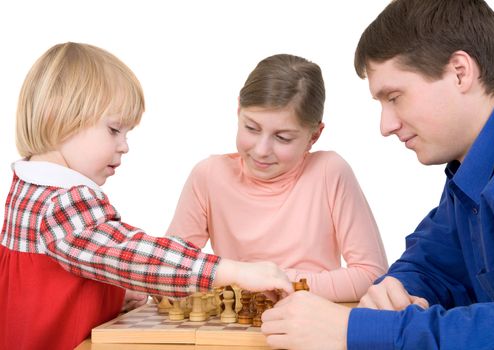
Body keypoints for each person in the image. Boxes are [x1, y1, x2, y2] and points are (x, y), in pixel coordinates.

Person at [261, 0, 494, 349]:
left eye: (395, 97)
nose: (386, 126)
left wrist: (357, 332)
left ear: (460, 72)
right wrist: (395, 291)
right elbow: (433, 261)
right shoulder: (474, 167)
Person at [0, 42, 294, 350]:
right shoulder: (62, 202)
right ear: (58, 118)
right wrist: (230, 271)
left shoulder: (29, 190)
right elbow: (129, 254)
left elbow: (52, 281)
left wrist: (109, 295)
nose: (124, 145)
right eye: (114, 130)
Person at [166, 53, 388, 302]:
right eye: (251, 128)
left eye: (282, 137)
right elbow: (169, 270)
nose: (261, 150)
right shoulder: (208, 176)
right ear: (238, 110)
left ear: (314, 136)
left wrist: (278, 283)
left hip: (310, 326)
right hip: (232, 330)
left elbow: (372, 275)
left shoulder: (329, 172)